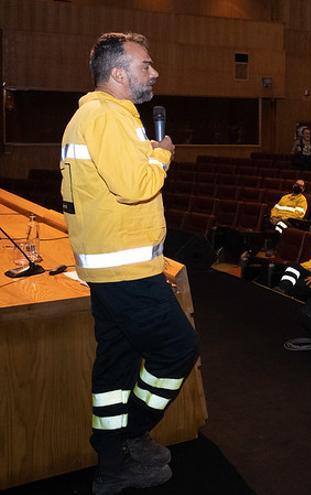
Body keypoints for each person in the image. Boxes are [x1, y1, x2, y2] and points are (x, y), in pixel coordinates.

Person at [60, 32, 197, 494]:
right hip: (126, 273)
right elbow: (135, 185)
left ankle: (112, 458)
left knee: (116, 364)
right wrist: (162, 154)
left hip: (112, 269)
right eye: (145, 64)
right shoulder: (103, 118)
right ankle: (133, 433)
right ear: (118, 73)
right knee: (177, 350)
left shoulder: (107, 116)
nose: (153, 71)